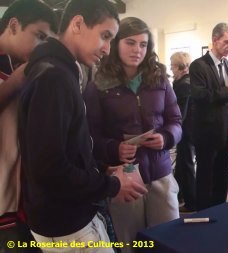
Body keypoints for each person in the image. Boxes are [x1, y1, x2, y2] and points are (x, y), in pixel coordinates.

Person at [17, 1, 148, 253]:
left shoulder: (60, 71)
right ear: (77, 24)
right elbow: (49, 168)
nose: (107, 49)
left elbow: (66, 147)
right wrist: (111, 186)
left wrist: (101, 169)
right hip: (65, 222)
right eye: (105, 36)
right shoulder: (54, 77)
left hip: (66, 215)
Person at [83, 17, 182, 250]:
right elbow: (89, 135)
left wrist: (166, 137)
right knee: (131, 243)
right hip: (124, 178)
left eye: (143, 44)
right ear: (116, 43)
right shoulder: (98, 84)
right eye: (130, 43)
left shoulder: (159, 79)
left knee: (169, 239)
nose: (137, 50)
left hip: (161, 174)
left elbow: (176, 121)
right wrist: (113, 148)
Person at [0, 1, 57, 252]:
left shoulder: (15, 63)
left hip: (21, 198)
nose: (41, 47)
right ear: (13, 25)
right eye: (39, 36)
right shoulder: (18, 71)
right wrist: (15, 82)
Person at [189, 22, 228, 210]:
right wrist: (227, 90)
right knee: (205, 177)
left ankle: (220, 211)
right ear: (215, 40)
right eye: (227, 41)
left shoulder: (227, 64)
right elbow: (201, 96)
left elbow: (227, 95)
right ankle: (202, 214)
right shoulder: (198, 66)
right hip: (207, 132)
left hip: (225, 129)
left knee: (222, 175)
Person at [170, 51, 196, 212]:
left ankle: (192, 202)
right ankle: (179, 196)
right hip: (186, 130)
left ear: (179, 67)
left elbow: (180, 112)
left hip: (186, 131)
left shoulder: (184, 84)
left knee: (186, 165)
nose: (171, 69)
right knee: (181, 165)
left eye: (172, 66)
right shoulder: (185, 82)